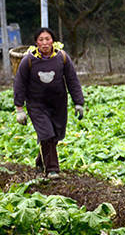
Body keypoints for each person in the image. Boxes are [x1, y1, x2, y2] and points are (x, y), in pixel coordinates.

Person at [13, 27, 85, 178]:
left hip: (58, 104)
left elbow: (72, 80)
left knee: (56, 135)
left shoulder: (62, 58)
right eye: (41, 40)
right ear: (36, 43)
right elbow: (19, 84)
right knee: (46, 134)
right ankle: (52, 169)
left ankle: (41, 161)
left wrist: (78, 102)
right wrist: (19, 109)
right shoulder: (29, 61)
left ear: (53, 41)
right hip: (36, 104)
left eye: (47, 39)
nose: (45, 43)